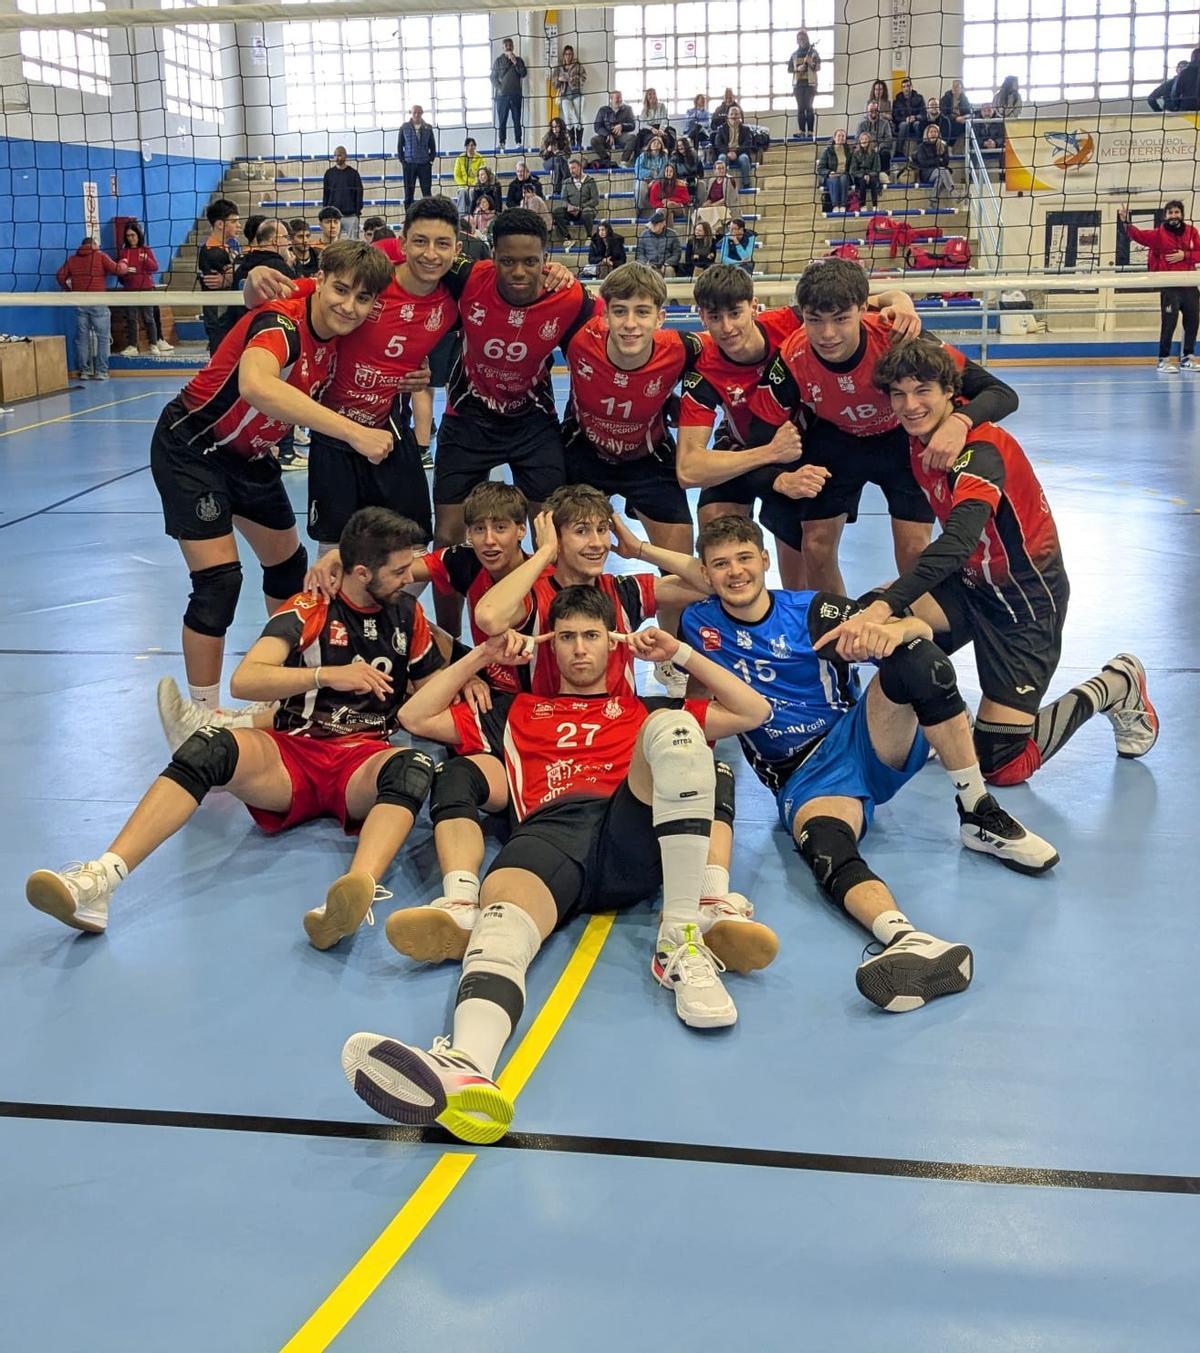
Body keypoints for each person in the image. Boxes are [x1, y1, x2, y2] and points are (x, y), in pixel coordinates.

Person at [343, 586, 773, 1142]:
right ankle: (468, 1066)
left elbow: (754, 711)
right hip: (549, 835)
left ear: (613, 643)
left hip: (628, 826)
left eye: (591, 636)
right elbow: (414, 714)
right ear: (549, 645)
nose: (579, 649)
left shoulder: (641, 708)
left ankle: (682, 939)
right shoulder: (515, 710)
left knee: (680, 735)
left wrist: (680, 653)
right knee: (500, 924)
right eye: (566, 637)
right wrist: (484, 654)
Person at [681, 515, 1057, 1014]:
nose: (735, 572)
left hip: (859, 736)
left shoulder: (811, 610)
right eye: (721, 564)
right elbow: (697, 700)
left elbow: (904, 626)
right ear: (706, 573)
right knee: (826, 846)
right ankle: (905, 937)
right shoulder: (698, 623)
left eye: (745, 558)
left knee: (918, 660)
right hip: (804, 778)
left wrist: (901, 631)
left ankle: (977, 810)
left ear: (766, 560)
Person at [27, 508, 441, 946]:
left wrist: (468, 673)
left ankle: (354, 894)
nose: (408, 578)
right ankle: (99, 880)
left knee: (413, 766)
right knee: (209, 746)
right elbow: (246, 680)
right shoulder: (311, 608)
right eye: (399, 571)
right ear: (362, 573)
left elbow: (432, 684)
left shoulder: (407, 614)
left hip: (363, 761)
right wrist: (326, 676)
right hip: (293, 753)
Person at [850, 339, 1158, 788]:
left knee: (1002, 766)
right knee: (869, 625)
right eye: (899, 394)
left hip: (1023, 600)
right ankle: (946, 717)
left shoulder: (979, 453)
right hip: (970, 584)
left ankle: (1116, 684)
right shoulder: (920, 438)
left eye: (922, 391)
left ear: (951, 392)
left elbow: (958, 541)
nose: (910, 405)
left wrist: (889, 602)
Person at [147, 240, 393, 734]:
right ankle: (200, 716)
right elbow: (256, 385)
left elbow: (404, 259)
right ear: (319, 281)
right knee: (219, 582)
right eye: (340, 290)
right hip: (193, 446)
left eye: (362, 298)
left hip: (251, 457)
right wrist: (353, 432)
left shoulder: (335, 327)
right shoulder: (282, 324)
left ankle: (284, 688)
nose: (349, 305)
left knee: (288, 570)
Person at [751, 258, 1016, 595]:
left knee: (914, 549)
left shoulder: (898, 337)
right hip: (836, 442)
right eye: (814, 320)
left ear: (864, 308)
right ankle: (836, 623)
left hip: (901, 442)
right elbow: (756, 441)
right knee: (815, 545)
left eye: (841, 319)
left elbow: (1001, 393)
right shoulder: (791, 357)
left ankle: (914, 622)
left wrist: (958, 423)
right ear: (801, 314)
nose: (828, 334)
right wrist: (779, 478)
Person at [243, 197, 463, 568]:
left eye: (442, 244)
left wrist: (421, 371)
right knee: (334, 551)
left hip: (390, 430)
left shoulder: (451, 302)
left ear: (456, 250)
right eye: (420, 241)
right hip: (333, 434)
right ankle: (339, 608)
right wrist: (253, 281)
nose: (430, 254)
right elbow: (270, 297)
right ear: (403, 243)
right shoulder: (368, 282)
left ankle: (396, 608)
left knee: (412, 548)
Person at [677, 264, 920, 592]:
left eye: (735, 313)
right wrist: (770, 455)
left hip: (802, 449)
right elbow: (688, 470)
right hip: (746, 449)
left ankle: (808, 617)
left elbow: (857, 302)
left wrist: (901, 299)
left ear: (754, 306)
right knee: (717, 534)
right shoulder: (703, 368)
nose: (728, 327)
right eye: (715, 317)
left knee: (801, 568)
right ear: (702, 318)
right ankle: (734, 617)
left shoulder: (796, 322)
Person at [431, 208, 595, 631]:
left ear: (546, 259)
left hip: (531, 420)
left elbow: (610, 342)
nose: (519, 272)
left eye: (530, 261)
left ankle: (553, 629)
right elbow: (404, 261)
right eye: (508, 261)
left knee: (550, 529)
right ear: (492, 258)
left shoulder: (571, 298)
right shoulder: (468, 278)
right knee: (447, 535)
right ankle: (448, 643)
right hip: (467, 415)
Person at [474, 482, 710, 698]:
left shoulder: (623, 590)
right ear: (556, 538)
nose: (597, 543)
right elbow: (488, 617)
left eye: (602, 529)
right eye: (582, 531)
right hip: (551, 724)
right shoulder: (533, 597)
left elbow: (712, 584)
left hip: (620, 723)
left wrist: (640, 549)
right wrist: (545, 552)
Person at [559, 264, 697, 588]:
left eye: (642, 312)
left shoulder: (682, 349)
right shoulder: (578, 339)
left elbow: (734, 357)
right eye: (620, 311)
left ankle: (671, 626)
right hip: (584, 454)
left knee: (682, 576)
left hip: (649, 459)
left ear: (660, 318)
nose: (630, 323)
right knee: (566, 569)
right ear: (605, 315)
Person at [1117, 203, 1200, 372]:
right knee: (1169, 323)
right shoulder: (1158, 234)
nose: (1174, 215)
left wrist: (1185, 255)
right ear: (1165, 215)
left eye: (1177, 212)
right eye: (1170, 213)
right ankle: (1163, 359)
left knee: (1193, 322)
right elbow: (1138, 235)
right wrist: (1125, 221)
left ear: (1182, 214)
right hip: (1170, 286)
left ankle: (1188, 357)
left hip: (1189, 284)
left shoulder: (1192, 232)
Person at [56, 235, 118, 379]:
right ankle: (101, 372)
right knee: (103, 338)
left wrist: (69, 290)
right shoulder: (101, 256)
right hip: (98, 301)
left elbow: (60, 276)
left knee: (82, 338)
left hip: (80, 302)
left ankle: (84, 371)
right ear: (94, 245)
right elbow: (118, 270)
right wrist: (124, 263)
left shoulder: (72, 259)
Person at [115, 222, 172, 356]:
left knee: (149, 318)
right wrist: (124, 271)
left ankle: (153, 344)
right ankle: (132, 346)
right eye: (128, 236)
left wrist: (146, 260)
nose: (131, 238)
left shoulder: (146, 249)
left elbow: (155, 267)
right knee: (131, 318)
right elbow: (118, 271)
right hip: (130, 290)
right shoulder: (124, 252)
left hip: (146, 289)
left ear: (138, 235)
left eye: (133, 235)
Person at [196, 198, 240, 356]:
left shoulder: (228, 246)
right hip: (219, 318)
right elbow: (233, 279)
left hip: (227, 315)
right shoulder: (212, 251)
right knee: (221, 360)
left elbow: (234, 277)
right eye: (234, 222)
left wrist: (231, 277)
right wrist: (231, 278)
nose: (238, 225)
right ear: (220, 224)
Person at [397, 105, 438, 210]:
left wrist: (430, 161)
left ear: (422, 113)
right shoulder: (404, 127)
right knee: (408, 193)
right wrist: (403, 162)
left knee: (427, 193)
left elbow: (432, 147)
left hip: (424, 165)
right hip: (409, 165)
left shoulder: (428, 127)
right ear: (411, 113)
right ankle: (409, 216)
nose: (416, 114)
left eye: (419, 112)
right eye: (414, 112)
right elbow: (400, 146)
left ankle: (428, 215)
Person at [492, 37, 527, 151]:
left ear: (513, 46)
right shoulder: (498, 61)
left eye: (510, 45)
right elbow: (493, 78)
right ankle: (502, 142)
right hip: (501, 97)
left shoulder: (519, 60)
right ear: (503, 48)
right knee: (502, 121)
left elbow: (523, 73)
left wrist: (515, 62)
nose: (508, 47)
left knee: (517, 120)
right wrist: (500, 88)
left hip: (515, 95)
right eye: (506, 45)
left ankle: (518, 142)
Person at [553, 158, 599, 241]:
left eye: (573, 168)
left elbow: (595, 200)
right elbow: (563, 199)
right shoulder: (566, 182)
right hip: (571, 211)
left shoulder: (590, 181)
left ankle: (589, 236)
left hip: (585, 210)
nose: (571, 171)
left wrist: (580, 207)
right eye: (570, 169)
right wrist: (569, 206)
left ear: (580, 167)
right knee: (557, 212)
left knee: (587, 212)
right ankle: (567, 237)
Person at [322, 146, 364, 239]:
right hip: (333, 216)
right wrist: (326, 212)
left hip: (351, 215)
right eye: (335, 155)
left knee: (353, 242)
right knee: (333, 243)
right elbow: (325, 194)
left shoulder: (354, 173)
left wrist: (357, 212)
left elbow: (359, 193)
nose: (337, 158)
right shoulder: (329, 173)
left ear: (345, 156)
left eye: (339, 155)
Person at [787, 28, 821, 138]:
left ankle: (810, 131)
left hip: (810, 85)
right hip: (798, 85)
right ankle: (801, 131)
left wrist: (811, 63)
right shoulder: (794, 54)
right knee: (801, 108)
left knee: (809, 108)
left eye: (803, 38)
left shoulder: (813, 53)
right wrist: (798, 68)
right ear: (797, 41)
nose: (801, 41)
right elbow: (789, 69)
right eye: (799, 39)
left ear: (807, 39)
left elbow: (818, 67)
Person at [553, 44, 587, 150]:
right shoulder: (558, 68)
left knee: (578, 117)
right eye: (567, 54)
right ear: (563, 55)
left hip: (576, 93)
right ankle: (572, 142)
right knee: (567, 117)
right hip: (564, 95)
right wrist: (559, 79)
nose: (568, 56)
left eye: (570, 54)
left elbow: (584, 78)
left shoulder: (578, 66)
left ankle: (579, 142)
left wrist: (574, 79)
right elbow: (554, 83)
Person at [590, 90, 637, 167]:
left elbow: (632, 125)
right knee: (594, 140)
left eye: (620, 97)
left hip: (621, 135)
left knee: (633, 138)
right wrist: (607, 134)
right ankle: (606, 160)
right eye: (617, 98)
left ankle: (624, 162)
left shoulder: (628, 109)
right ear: (611, 99)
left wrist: (622, 126)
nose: (620, 100)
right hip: (606, 137)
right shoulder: (603, 110)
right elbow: (597, 126)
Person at [712, 105, 754, 190]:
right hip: (726, 154)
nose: (734, 116)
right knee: (721, 158)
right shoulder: (721, 129)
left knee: (744, 158)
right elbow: (718, 144)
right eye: (731, 114)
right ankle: (721, 184)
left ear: (740, 116)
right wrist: (727, 152)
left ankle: (746, 184)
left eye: (736, 114)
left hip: (740, 154)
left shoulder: (746, 129)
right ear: (728, 116)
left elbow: (747, 144)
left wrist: (736, 153)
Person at [915, 122, 954, 205]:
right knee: (943, 171)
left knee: (941, 175)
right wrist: (938, 160)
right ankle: (954, 193)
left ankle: (933, 199)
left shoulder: (943, 145)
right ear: (927, 134)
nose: (933, 134)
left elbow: (946, 162)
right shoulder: (921, 146)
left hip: (940, 172)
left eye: (935, 132)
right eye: (931, 132)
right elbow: (923, 163)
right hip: (926, 173)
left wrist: (936, 161)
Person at [694, 158, 739, 231]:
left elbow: (727, 199)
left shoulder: (730, 180)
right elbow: (710, 198)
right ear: (714, 171)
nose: (721, 170)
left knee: (713, 212)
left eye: (723, 168)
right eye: (719, 168)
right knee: (698, 211)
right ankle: (701, 230)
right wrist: (706, 204)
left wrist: (712, 205)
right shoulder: (711, 181)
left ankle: (715, 231)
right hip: (713, 207)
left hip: (725, 207)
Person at [635, 210, 682, 276]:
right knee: (644, 270)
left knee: (668, 270)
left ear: (663, 224)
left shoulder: (672, 235)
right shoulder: (644, 235)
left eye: (656, 224)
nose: (653, 226)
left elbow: (676, 253)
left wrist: (668, 263)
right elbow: (639, 253)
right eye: (652, 224)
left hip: (666, 265)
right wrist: (645, 263)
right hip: (649, 265)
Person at [647, 161, 690, 228]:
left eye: (671, 171)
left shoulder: (680, 184)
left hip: (680, 208)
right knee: (669, 212)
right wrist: (663, 204)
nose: (669, 173)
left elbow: (686, 200)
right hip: (663, 208)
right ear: (663, 172)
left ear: (674, 173)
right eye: (667, 171)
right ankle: (669, 233)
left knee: (669, 205)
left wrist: (670, 200)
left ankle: (653, 222)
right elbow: (653, 202)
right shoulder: (657, 185)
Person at [818, 128, 852, 211]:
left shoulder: (849, 151)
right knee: (834, 179)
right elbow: (820, 168)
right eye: (839, 136)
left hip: (844, 174)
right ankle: (835, 206)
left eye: (843, 136)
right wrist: (829, 172)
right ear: (834, 138)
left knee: (844, 178)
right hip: (831, 176)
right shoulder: (827, 151)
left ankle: (843, 206)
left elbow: (852, 166)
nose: (841, 138)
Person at [633, 134, 668, 212]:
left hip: (658, 180)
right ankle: (642, 210)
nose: (656, 144)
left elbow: (663, 171)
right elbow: (638, 170)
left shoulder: (664, 157)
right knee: (640, 188)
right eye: (654, 142)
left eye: (658, 143)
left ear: (661, 146)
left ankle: (657, 209)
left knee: (658, 186)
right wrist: (651, 172)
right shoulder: (643, 156)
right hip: (643, 179)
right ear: (650, 144)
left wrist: (654, 180)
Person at [858, 101, 894, 176]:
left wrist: (879, 147)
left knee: (885, 153)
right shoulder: (862, 124)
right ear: (867, 111)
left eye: (876, 110)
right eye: (871, 110)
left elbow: (889, 139)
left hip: (880, 149)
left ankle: (884, 177)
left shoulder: (885, 123)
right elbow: (857, 139)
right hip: (865, 149)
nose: (874, 112)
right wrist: (868, 147)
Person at [891, 77, 924, 158]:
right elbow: (895, 116)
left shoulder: (919, 98)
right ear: (902, 88)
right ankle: (899, 151)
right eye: (904, 86)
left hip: (915, 122)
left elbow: (923, 113)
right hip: (902, 124)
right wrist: (905, 119)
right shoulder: (897, 101)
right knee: (904, 125)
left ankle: (921, 149)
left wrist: (915, 117)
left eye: (908, 86)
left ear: (912, 87)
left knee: (917, 124)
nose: (906, 88)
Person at [849, 130, 882, 209]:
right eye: (862, 139)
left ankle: (875, 206)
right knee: (862, 182)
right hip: (859, 176)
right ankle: (863, 205)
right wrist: (863, 175)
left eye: (866, 139)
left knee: (873, 181)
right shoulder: (855, 153)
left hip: (872, 175)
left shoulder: (874, 153)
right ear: (859, 141)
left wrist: (868, 175)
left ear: (869, 141)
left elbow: (877, 168)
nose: (864, 141)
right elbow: (853, 170)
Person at [452, 137, 485, 214]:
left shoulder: (480, 158)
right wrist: (464, 185)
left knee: (472, 191)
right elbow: (457, 175)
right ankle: (461, 215)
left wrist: (474, 184)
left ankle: (472, 213)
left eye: (472, 145)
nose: (470, 147)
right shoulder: (460, 158)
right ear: (465, 147)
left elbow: (482, 173)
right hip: (463, 185)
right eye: (468, 145)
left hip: (475, 184)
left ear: (475, 147)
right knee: (462, 192)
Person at [540, 117, 572, 195]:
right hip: (548, 162)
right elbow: (541, 155)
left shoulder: (565, 137)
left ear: (560, 127)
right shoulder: (547, 137)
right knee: (558, 160)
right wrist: (548, 150)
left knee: (558, 160)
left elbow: (568, 154)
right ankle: (568, 183)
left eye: (556, 126)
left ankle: (557, 190)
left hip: (561, 160)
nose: (554, 128)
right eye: (553, 126)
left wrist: (559, 152)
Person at [940, 79, 973, 145]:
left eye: (957, 86)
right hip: (948, 121)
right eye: (953, 86)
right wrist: (956, 118)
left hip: (961, 122)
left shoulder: (964, 99)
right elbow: (943, 113)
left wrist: (964, 117)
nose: (955, 88)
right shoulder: (945, 98)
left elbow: (969, 112)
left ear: (961, 88)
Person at [683, 94, 712, 163]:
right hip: (692, 132)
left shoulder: (706, 112)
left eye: (704, 100)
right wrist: (697, 112)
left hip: (703, 133)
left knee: (697, 127)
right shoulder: (689, 111)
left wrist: (698, 123)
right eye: (702, 99)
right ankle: (695, 156)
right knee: (696, 135)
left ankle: (690, 139)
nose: (703, 101)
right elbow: (688, 121)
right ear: (696, 101)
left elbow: (708, 123)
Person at [1171, 48, 1200, 112]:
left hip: (1187, 107)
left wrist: (1177, 107)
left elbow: (1177, 92)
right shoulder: (1184, 72)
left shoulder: (1184, 72)